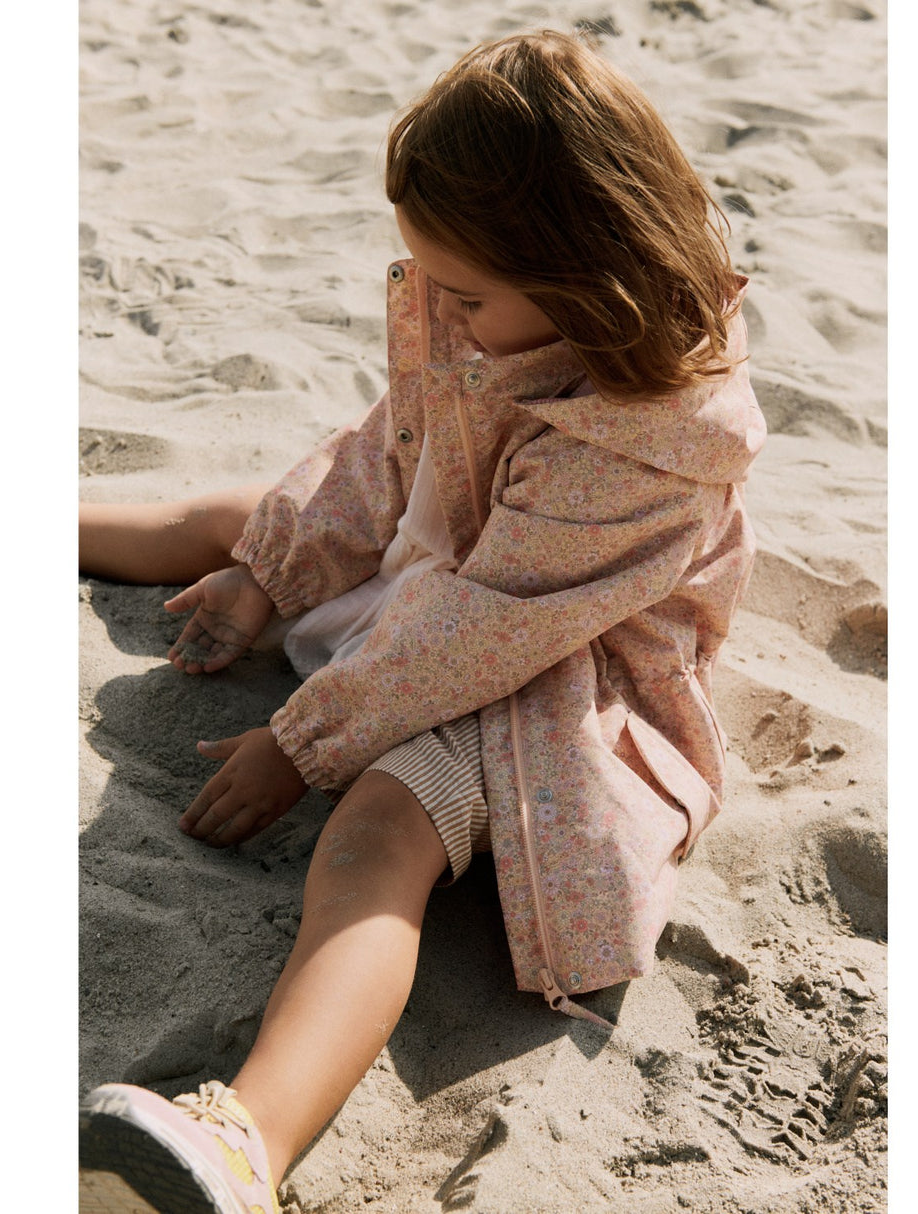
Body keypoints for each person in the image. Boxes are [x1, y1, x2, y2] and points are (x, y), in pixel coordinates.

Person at [78, 29, 766, 1214]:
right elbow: (391, 449)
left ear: (583, 275)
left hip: (551, 681)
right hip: (448, 587)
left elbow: (485, 628)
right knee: (244, 520)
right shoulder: (504, 311)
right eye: (430, 281)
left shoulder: (650, 440)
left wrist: (299, 740)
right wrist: (273, 568)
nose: (440, 310)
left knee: (379, 830)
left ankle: (247, 1137)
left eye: (465, 295)